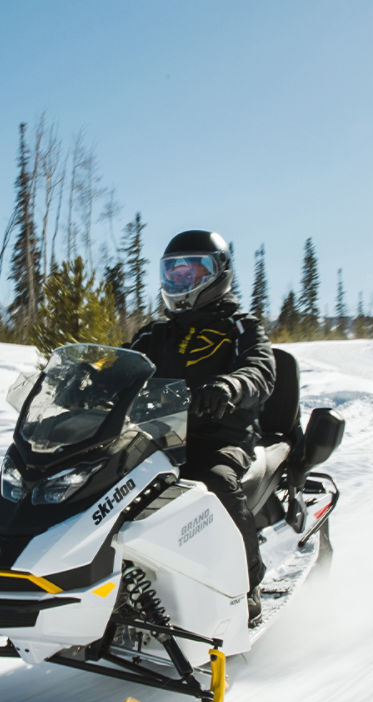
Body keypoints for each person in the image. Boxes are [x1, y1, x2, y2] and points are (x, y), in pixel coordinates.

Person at [127, 230, 275, 620]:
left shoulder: (240, 325)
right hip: (159, 437)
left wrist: (230, 385)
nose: (182, 281)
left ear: (217, 273)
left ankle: (247, 585)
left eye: (192, 272)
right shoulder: (153, 333)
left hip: (221, 435)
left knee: (215, 483)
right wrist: (84, 383)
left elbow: (260, 368)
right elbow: (120, 368)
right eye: (174, 274)